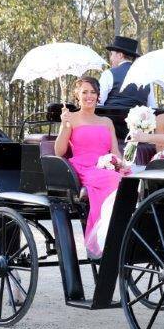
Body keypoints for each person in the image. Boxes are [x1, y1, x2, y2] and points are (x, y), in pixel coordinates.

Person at [55, 76, 124, 258]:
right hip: (83, 167)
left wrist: (120, 163)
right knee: (114, 179)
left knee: (129, 178)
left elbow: (115, 151)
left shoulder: (106, 122)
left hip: (106, 166)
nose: (89, 96)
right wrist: (64, 125)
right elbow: (59, 151)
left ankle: (124, 228)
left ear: (98, 95)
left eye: (93, 92)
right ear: (77, 95)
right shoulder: (72, 119)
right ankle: (104, 235)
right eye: (84, 92)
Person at [99, 36, 156, 108]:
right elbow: (153, 107)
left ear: (120, 55)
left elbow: (99, 103)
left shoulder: (108, 74)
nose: (110, 58)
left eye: (112, 54)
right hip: (139, 119)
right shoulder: (147, 78)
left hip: (112, 118)